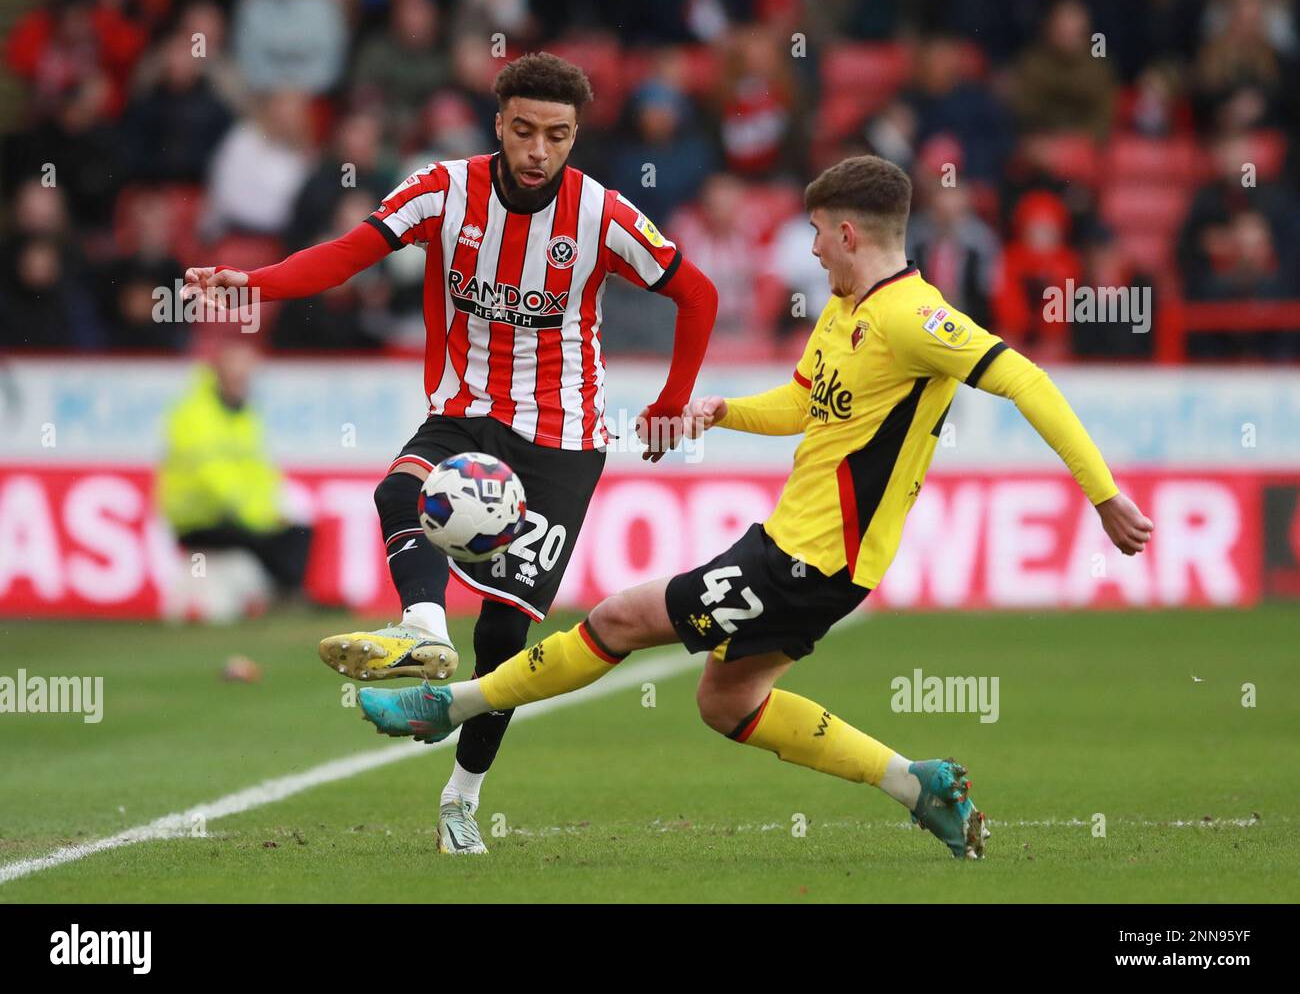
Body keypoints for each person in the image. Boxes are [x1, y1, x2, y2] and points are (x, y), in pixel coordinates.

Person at [355, 155, 1155, 860]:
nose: (808, 248)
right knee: (725, 701)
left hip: (812, 556)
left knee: (621, 619)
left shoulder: (916, 317)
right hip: (805, 553)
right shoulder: (845, 312)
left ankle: (442, 706)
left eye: (815, 232)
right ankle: (919, 787)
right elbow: (805, 404)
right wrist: (719, 410)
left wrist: (1105, 495)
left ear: (848, 233)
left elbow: (1025, 378)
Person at [182, 53, 718, 855]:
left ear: (576, 137)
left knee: (503, 642)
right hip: (465, 408)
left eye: (558, 136)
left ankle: (463, 796)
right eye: (526, 130)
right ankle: (424, 624)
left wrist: (674, 400)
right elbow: (351, 252)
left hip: (561, 438)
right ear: (499, 122)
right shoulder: (444, 189)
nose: (539, 150)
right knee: (397, 492)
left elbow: (696, 292)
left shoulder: (601, 214)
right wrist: (256, 283)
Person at [158, 340, 314, 599]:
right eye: (237, 374)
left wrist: (269, 513)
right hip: (198, 519)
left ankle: (287, 592)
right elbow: (210, 476)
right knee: (276, 539)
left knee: (297, 532)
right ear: (219, 373)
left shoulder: (244, 414)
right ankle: (285, 595)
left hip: (232, 516)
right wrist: (259, 518)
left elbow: (259, 473)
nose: (243, 380)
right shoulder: (195, 413)